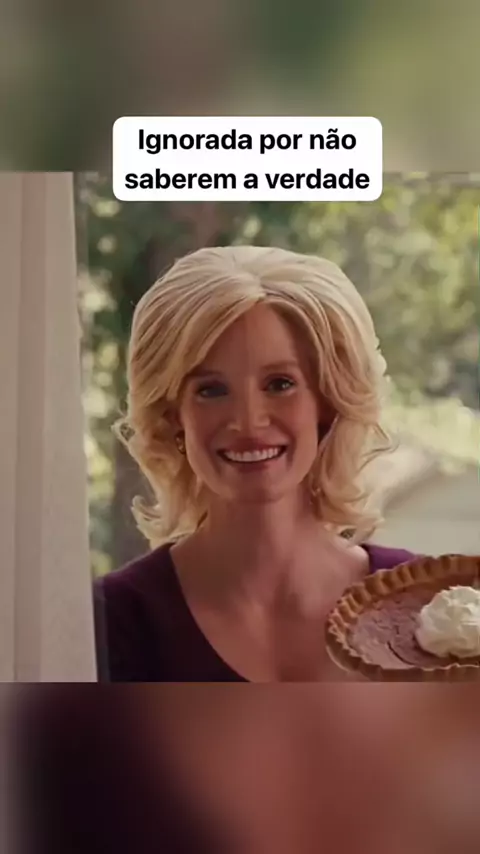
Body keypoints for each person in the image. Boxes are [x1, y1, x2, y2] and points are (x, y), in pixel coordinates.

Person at [95, 245, 417, 682]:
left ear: (326, 403)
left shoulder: (428, 604)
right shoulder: (108, 624)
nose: (248, 421)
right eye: (211, 390)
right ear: (173, 416)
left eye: (280, 384)